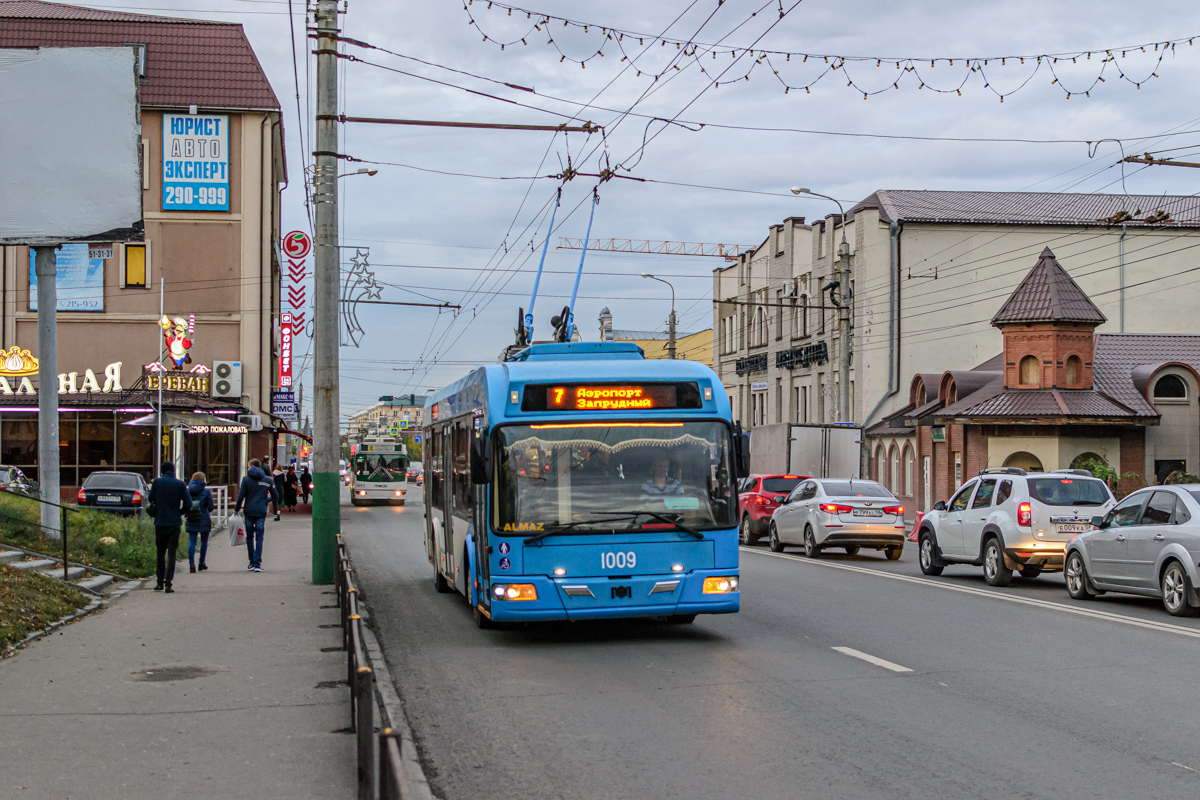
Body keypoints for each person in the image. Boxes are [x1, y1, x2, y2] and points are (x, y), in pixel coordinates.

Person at [147, 463, 192, 593]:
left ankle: (159, 582)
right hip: (174, 523)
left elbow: (150, 498)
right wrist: (179, 512)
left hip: (160, 522)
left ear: (162, 471)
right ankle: (168, 584)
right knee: (172, 553)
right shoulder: (180, 484)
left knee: (160, 553)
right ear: (173, 471)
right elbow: (188, 504)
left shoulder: (157, 482)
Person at [235, 459, 279, 572]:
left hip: (249, 511)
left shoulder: (246, 479)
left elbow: (241, 496)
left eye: (248, 466)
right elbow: (275, 496)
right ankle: (257, 564)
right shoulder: (267, 480)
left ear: (252, 466)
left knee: (249, 537)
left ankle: (251, 563)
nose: (247, 468)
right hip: (261, 511)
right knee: (259, 537)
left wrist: (237, 509)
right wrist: (265, 500)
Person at [185, 471, 215, 573]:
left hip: (191, 518)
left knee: (192, 541)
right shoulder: (206, 492)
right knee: (204, 541)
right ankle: (201, 563)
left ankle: (191, 564)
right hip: (204, 519)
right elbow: (210, 507)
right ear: (203, 480)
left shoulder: (188, 491)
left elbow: (185, 504)